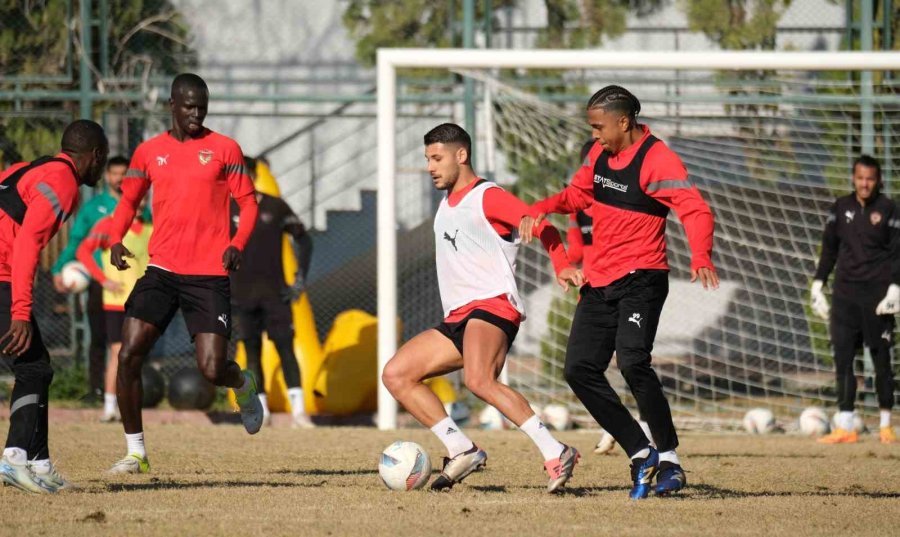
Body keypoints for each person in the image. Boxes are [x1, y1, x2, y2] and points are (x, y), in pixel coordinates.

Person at [520, 85, 717, 499]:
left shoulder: (656, 158)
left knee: (632, 361)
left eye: (599, 126)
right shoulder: (598, 156)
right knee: (578, 369)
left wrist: (700, 255)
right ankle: (640, 450)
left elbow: (694, 208)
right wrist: (542, 207)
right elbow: (578, 195)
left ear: (623, 121)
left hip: (642, 279)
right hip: (599, 281)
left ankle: (671, 462)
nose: (594, 135)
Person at [382, 123, 584, 493]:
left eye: (437, 158)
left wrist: (562, 265)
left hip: (493, 306)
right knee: (397, 374)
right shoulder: (446, 205)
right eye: (427, 158)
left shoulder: (488, 197)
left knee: (478, 380)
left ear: (462, 155)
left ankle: (557, 451)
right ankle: (462, 448)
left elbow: (543, 227)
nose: (430, 166)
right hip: (458, 316)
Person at [105, 73, 262, 474]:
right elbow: (128, 202)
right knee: (129, 354)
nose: (196, 113)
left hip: (209, 273)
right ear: (172, 105)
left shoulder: (225, 149)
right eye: (189, 106)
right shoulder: (147, 152)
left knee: (212, 369)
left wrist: (236, 244)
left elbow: (249, 205)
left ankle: (242, 384)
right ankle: (135, 452)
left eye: (202, 106)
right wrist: (115, 238)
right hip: (162, 268)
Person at [0, 119, 109, 493]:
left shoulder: (31, 167)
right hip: (1, 273)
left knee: (38, 367)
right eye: (104, 158)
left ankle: (39, 464)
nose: (103, 167)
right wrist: (19, 313)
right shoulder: (63, 183)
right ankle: (14, 459)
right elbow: (28, 244)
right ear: (94, 157)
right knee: (32, 368)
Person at [811, 155, 898, 445]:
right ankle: (845, 425)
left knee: (882, 359)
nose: (865, 183)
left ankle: (886, 425)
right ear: (853, 178)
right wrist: (817, 285)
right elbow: (829, 251)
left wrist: (895, 288)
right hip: (845, 296)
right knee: (843, 360)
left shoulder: (889, 209)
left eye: (870, 178)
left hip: (878, 297)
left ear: (878, 180)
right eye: (860, 177)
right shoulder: (840, 207)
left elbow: (898, 253)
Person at [230, 156, 313, 428]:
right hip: (240, 294)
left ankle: (299, 413)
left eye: (246, 173)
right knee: (251, 352)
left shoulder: (275, 207)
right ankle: (261, 410)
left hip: (275, 293)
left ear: (254, 174)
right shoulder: (223, 207)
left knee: (285, 349)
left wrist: (299, 280)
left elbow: (304, 238)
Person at [51, 155, 130, 401]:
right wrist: (58, 269)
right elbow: (76, 242)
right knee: (99, 336)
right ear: (107, 176)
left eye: (124, 173)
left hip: (130, 282)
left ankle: (126, 389)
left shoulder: (138, 208)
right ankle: (97, 389)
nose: (119, 178)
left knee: (130, 340)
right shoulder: (94, 208)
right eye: (115, 173)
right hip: (99, 281)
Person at [76, 197, 152, 422]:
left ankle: (128, 404)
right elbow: (83, 251)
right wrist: (103, 280)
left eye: (143, 198)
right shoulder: (108, 225)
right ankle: (110, 407)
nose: (140, 203)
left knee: (135, 355)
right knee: (118, 354)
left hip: (143, 301)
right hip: (117, 301)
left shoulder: (150, 229)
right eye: (136, 198)